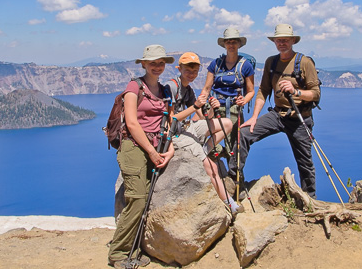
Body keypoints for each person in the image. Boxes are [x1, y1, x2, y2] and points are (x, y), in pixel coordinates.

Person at [227, 24, 321, 198]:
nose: (282, 43)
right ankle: (234, 180)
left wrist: (296, 91)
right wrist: (254, 117)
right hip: (278, 114)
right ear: (274, 42)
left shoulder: (305, 62)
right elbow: (263, 90)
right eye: (279, 40)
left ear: (293, 40)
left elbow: (315, 94)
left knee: (305, 162)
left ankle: (310, 200)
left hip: (299, 118)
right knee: (244, 134)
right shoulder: (272, 62)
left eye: (285, 39)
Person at [108, 44, 175, 268]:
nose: (157, 66)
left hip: (155, 147)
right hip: (133, 146)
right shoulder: (134, 86)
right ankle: (118, 253)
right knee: (136, 199)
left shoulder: (165, 90)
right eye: (153, 62)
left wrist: (170, 149)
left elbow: (169, 124)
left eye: (161, 63)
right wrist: (152, 151)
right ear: (144, 64)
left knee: (145, 200)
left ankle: (135, 250)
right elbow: (132, 123)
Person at [164, 52, 244, 215]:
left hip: (188, 127)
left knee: (227, 123)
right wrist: (195, 106)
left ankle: (206, 149)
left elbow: (201, 116)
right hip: (176, 134)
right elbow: (170, 120)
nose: (192, 74)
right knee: (210, 165)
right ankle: (229, 203)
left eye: (195, 71)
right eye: (188, 70)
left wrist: (212, 109)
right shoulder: (171, 87)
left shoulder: (187, 88)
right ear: (179, 69)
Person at [200, 28, 255, 193]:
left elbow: (251, 90)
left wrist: (244, 100)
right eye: (228, 41)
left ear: (239, 44)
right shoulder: (215, 64)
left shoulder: (245, 66)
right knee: (207, 142)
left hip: (234, 109)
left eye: (234, 41)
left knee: (235, 147)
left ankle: (238, 184)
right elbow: (207, 88)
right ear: (224, 44)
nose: (231, 44)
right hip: (215, 107)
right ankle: (214, 174)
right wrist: (205, 103)